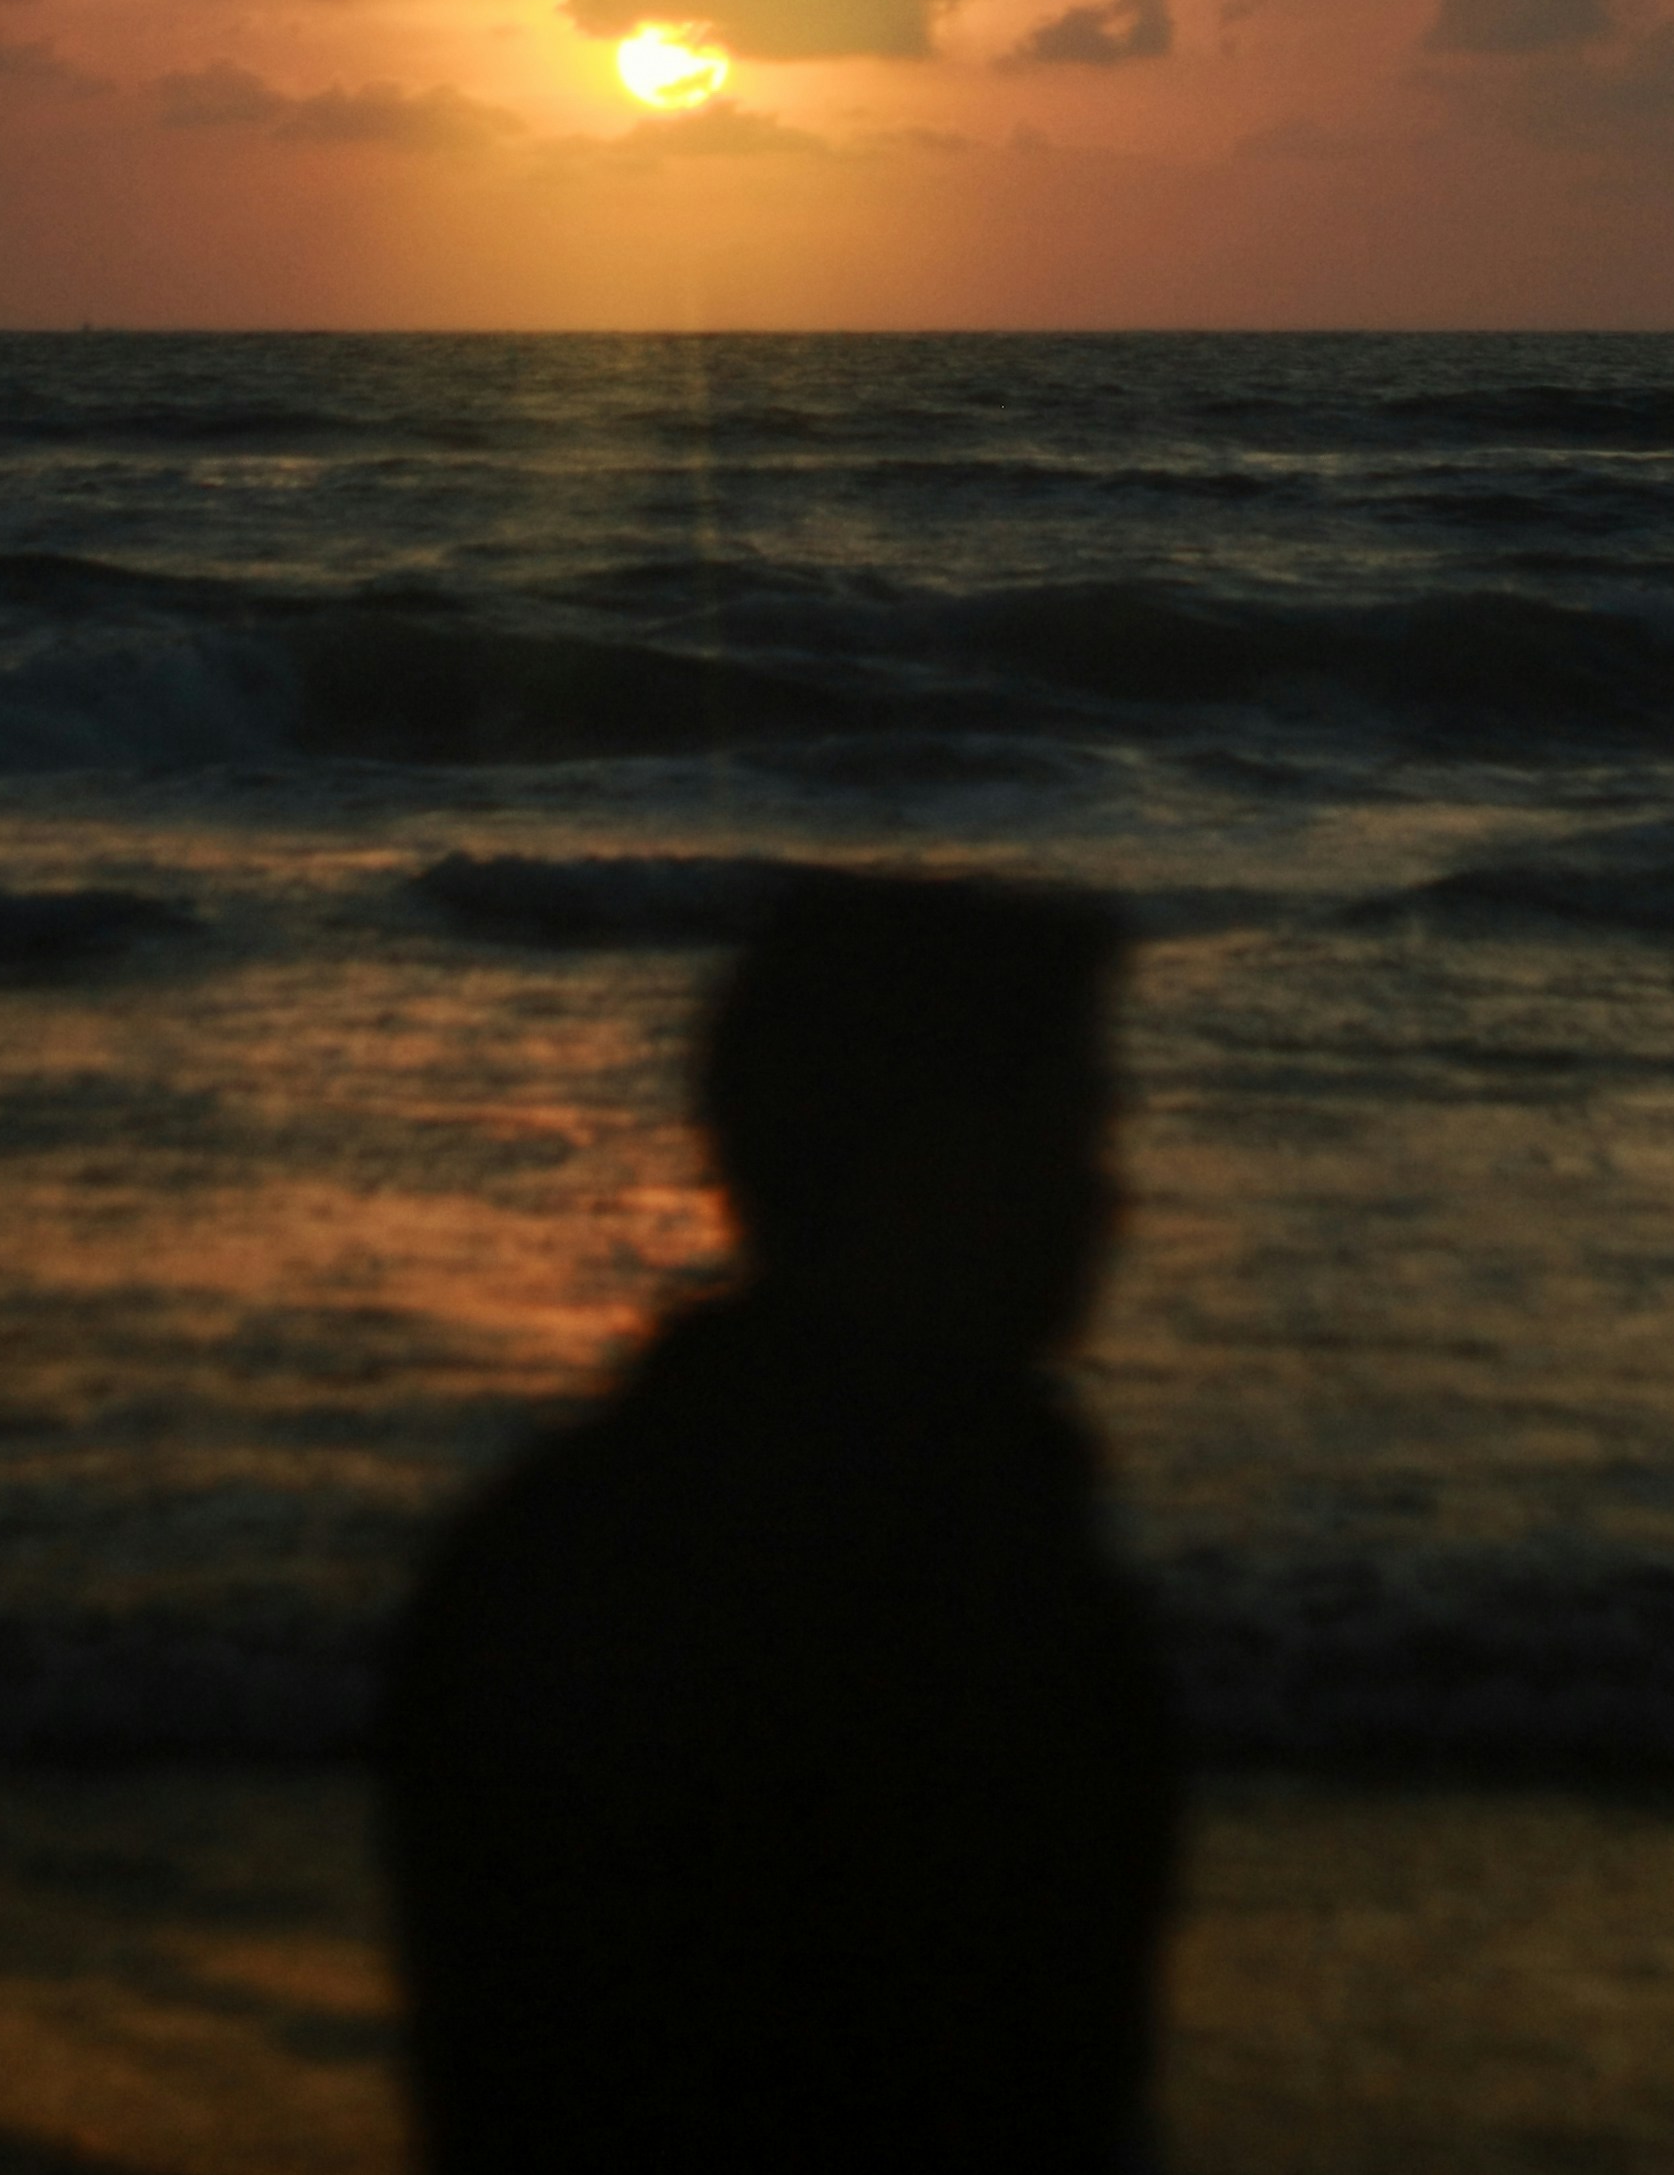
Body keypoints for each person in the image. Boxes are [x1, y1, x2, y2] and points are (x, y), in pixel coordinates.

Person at [381, 866, 1185, 2174]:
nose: (1111, 1202)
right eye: (1073, 1134)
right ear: (937, 1161)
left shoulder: (547, 1543)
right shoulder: (960, 1585)